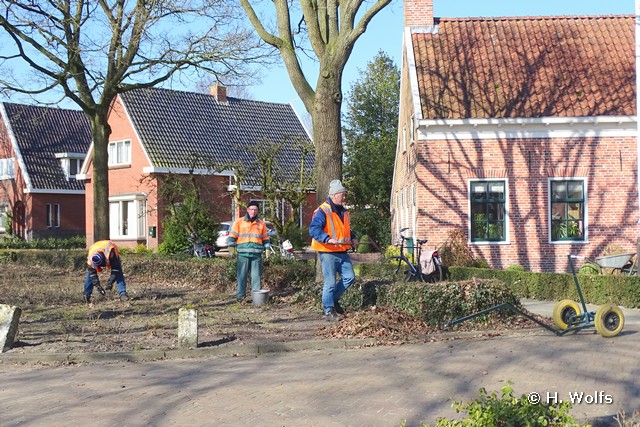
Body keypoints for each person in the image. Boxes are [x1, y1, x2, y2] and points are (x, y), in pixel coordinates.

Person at [309, 179, 358, 320]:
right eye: (342, 194)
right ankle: (328, 309)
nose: (344, 197)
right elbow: (313, 229)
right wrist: (327, 239)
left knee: (350, 277)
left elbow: (345, 229)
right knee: (330, 282)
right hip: (328, 252)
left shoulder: (344, 212)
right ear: (335, 195)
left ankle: (333, 300)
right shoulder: (322, 211)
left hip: (342, 251)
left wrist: (353, 237)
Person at [228, 201, 272, 302]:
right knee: (241, 276)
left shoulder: (261, 224)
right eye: (251, 209)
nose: (253, 211)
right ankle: (240, 297)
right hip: (242, 254)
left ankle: (256, 298)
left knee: (256, 277)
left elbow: (265, 239)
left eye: (255, 210)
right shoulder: (239, 222)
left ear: (257, 211)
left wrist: (267, 250)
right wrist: (231, 250)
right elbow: (232, 237)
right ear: (247, 210)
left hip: (256, 254)